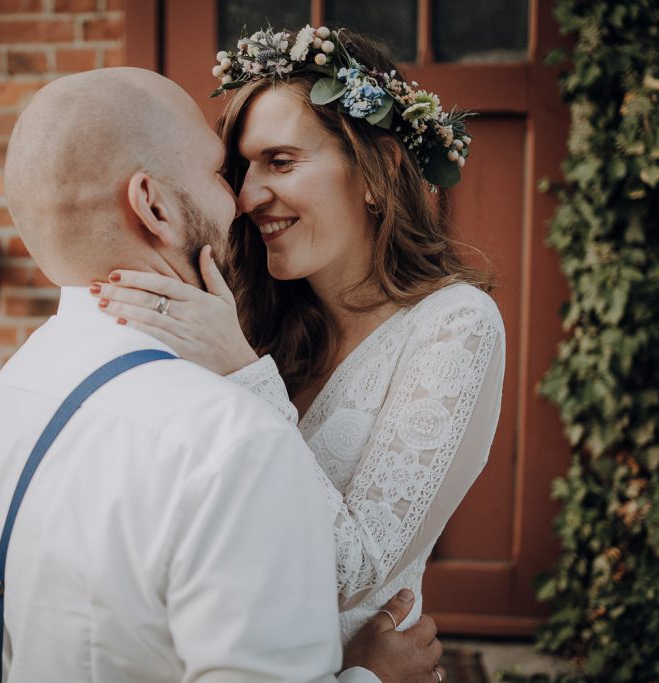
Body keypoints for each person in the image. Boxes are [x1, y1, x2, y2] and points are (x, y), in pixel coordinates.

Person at [0, 67, 447, 682]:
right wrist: (367, 678)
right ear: (153, 207)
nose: (241, 198)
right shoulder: (230, 440)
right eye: (221, 172)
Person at [96, 26, 507, 641]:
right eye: (241, 169)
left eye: (281, 162)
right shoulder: (245, 313)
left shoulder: (455, 326)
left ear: (379, 171)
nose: (249, 196)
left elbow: (351, 571)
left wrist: (241, 373)